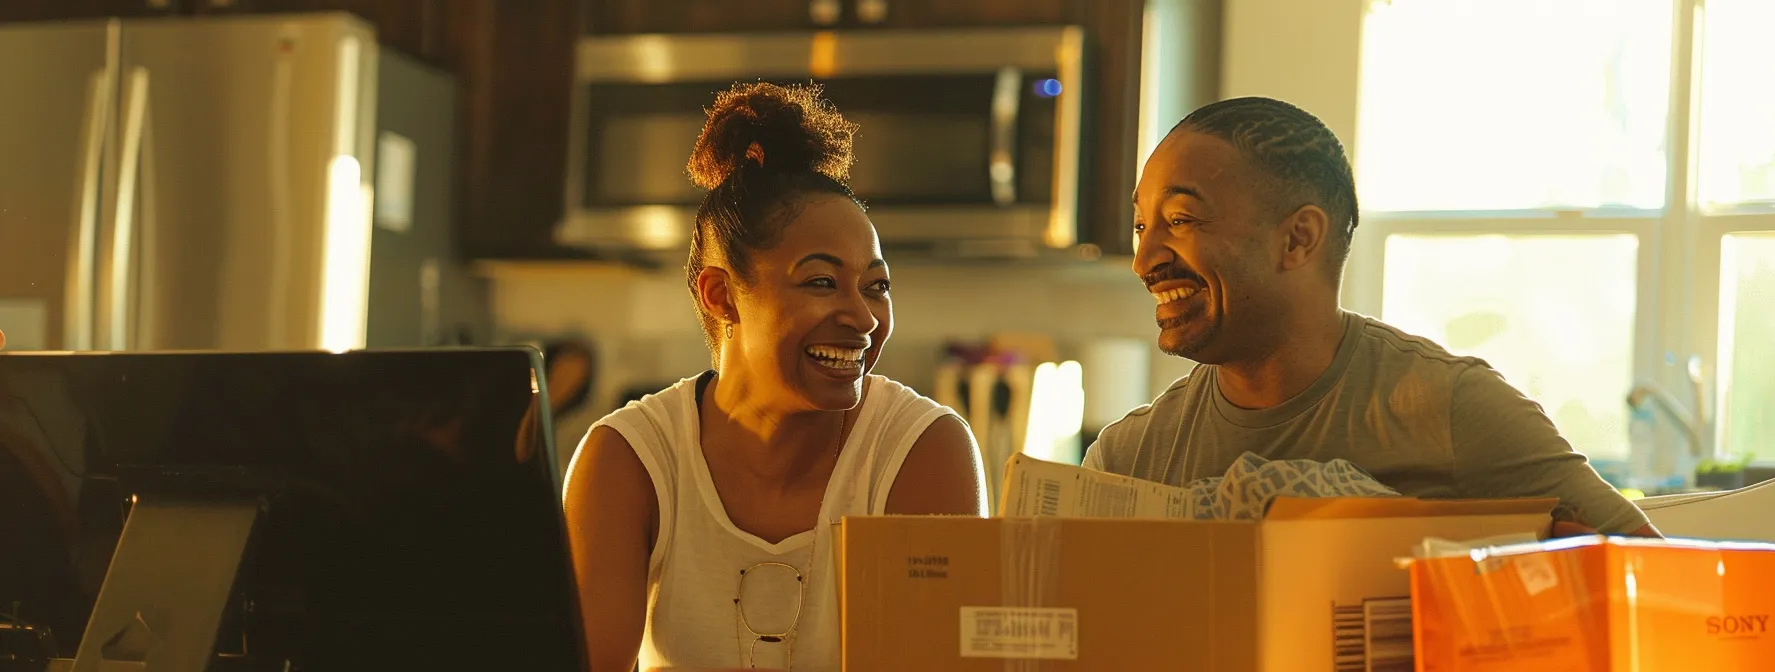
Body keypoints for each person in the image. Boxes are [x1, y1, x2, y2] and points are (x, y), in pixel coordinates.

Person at [1088, 96, 1656, 537]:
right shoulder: (1126, 461)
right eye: (1143, 225)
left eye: (1182, 220)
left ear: (1298, 239)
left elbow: (1660, 584)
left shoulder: (1453, 411)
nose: (1145, 259)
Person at [561, 82, 985, 672]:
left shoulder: (922, 451)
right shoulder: (629, 459)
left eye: (876, 286)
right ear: (721, 295)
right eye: (820, 282)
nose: (862, 317)